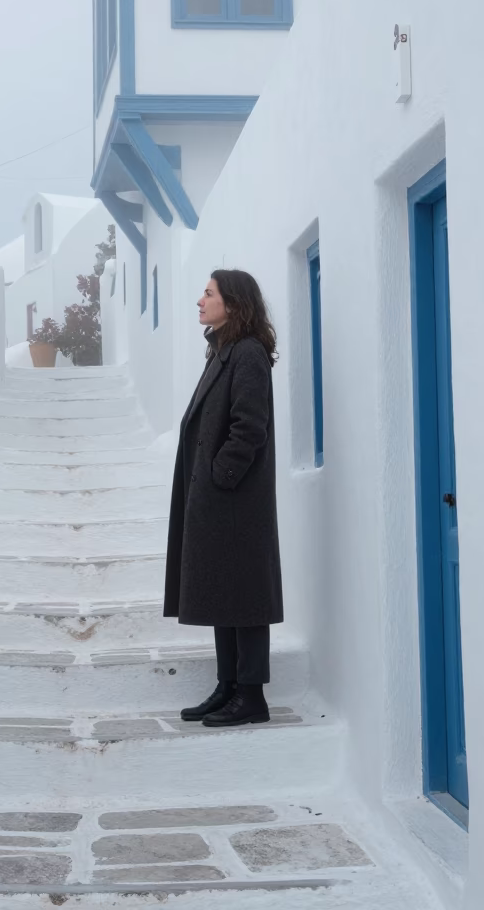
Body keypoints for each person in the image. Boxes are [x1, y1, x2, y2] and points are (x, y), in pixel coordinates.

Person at [164, 268, 283, 727]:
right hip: (218, 499)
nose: (200, 300)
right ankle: (229, 684)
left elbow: (249, 427)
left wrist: (221, 476)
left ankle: (251, 695)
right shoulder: (221, 352)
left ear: (232, 304)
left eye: (208, 294)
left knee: (245, 595)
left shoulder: (248, 354)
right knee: (224, 591)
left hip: (236, 499)